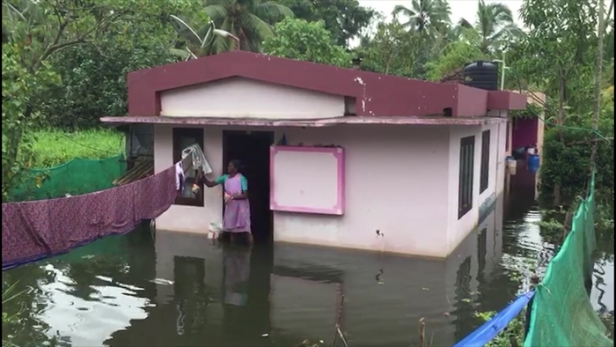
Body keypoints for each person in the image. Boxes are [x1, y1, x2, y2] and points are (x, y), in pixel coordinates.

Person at [197, 160, 252, 243]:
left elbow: (245, 195)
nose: (228, 168)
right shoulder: (225, 177)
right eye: (228, 166)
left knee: (247, 230)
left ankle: (250, 248)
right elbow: (210, 184)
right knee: (231, 230)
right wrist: (203, 176)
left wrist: (232, 196)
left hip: (241, 208)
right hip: (231, 207)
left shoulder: (242, 179)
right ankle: (232, 250)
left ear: (236, 169)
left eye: (230, 166)